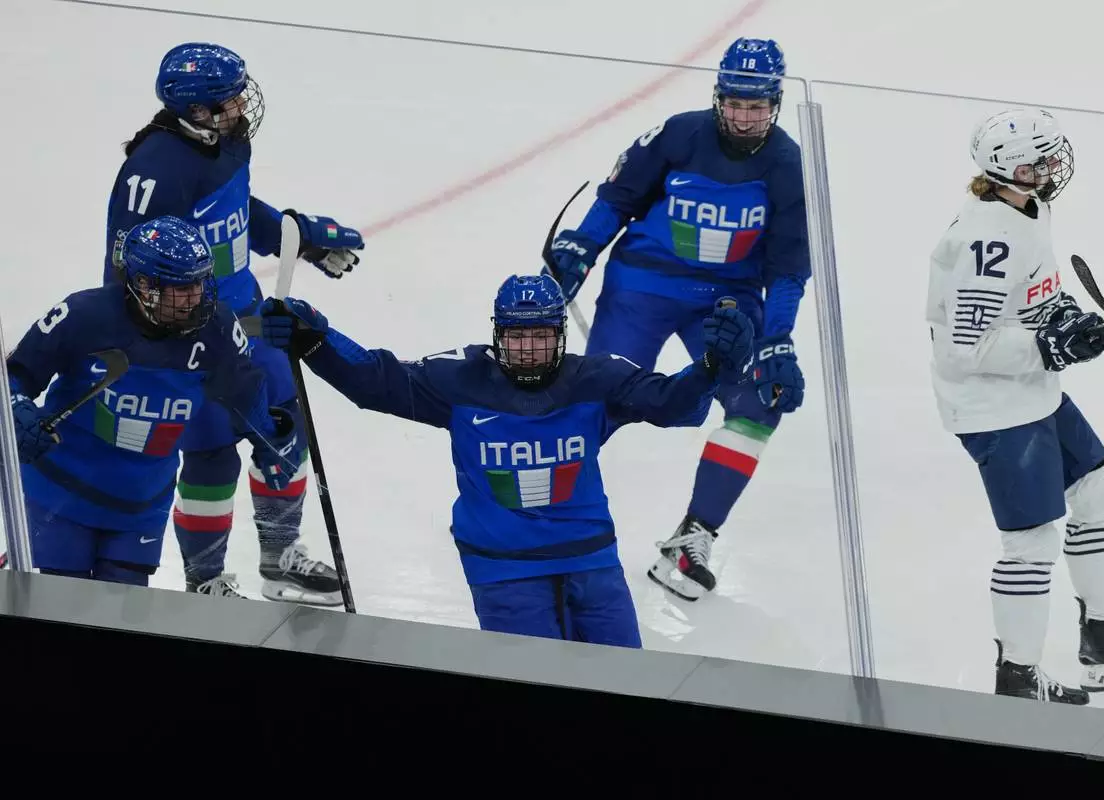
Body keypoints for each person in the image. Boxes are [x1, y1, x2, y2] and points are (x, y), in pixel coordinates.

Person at [256, 273, 755, 646]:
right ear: (498, 335)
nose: (530, 350)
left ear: (559, 335)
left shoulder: (596, 380)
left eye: (540, 337)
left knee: (628, 687)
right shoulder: (461, 380)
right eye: (518, 337)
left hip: (591, 561)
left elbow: (676, 407)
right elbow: (376, 382)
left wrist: (710, 368)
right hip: (503, 572)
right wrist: (318, 340)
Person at [541, 37, 810, 601]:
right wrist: (579, 252)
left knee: (759, 401)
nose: (743, 117)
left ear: (776, 103)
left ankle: (694, 535)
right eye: (734, 103)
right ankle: (542, 516)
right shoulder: (677, 133)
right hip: (643, 284)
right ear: (718, 97)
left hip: (728, 300)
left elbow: (787, 269)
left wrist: (778, 339)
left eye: (756, 106)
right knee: (597, 399)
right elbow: (617, 200)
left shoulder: (787, 164)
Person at [925, 107, 1104, 704]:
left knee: (1100, 493)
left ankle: (1102, 640)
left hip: (1031, 393)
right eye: (1042, 160)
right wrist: (1047, 344)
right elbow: (965, 348)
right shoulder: (987, 237)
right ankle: (1017, 677)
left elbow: (1030, 293)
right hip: (992, 407)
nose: (1053, 168)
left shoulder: (1028, 208)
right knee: (1032, 540)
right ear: (1011, 169)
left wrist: (1060, 319)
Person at [102, 42, 365, 603]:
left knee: (283, 424)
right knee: (212, 452)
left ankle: (279, 556)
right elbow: (125, 271)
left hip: (247, 315)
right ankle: (206, 581)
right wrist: (156, 346)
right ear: (197, 110)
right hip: (192, 336)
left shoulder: (227, 140)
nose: (242, 102)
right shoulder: (153, 169)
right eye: (230, 96)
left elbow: (236, 205)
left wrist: (298, 235)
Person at [6, 216, 300, 587]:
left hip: (141, 507)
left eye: (200, 282)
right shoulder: (83, 317)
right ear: (143, 284)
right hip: (60, 495)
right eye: (182, 286)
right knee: (61, 619)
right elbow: (14, 375)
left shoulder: (218, 330)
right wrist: (18, 411)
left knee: (118, 629)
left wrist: (272, 437)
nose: (196, 296)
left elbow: (245, 394)